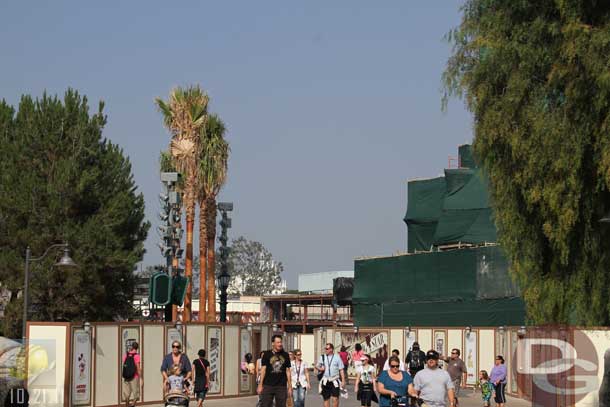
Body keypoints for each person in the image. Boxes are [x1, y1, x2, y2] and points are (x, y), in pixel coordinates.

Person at [258, 334, 293, 407]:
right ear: (273, 343)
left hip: (281, 386)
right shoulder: (266, 354)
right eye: (278, 342)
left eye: (280, 342)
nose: (280, 344)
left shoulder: (285, 355)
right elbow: (263, 370)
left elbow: (288, 371)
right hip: (268, 385)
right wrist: (260, 385)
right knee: (265, 405)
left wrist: (290, 386)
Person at [316, 343, 346, 407]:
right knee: (326, 399)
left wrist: (343, 381)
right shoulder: (322, 357)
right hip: (325, 380)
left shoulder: (337, 357)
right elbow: (317, 366)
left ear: (331, 349)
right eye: (325, 349)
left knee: (335, 399)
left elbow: (341, 369)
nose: (325, 350)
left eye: (327, 349)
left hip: (334, 380)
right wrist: (321, 368)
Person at [122, 341, 141, 407]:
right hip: (134, 376)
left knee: (127, 394)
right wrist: (141, 378)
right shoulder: (137, 356)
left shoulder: (126, 355)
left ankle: (127, 405)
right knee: (136, 393)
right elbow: (138, 367)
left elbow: (124, 364)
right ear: (137, 348)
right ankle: (132, 405)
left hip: (126, 376)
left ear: (132, 347)